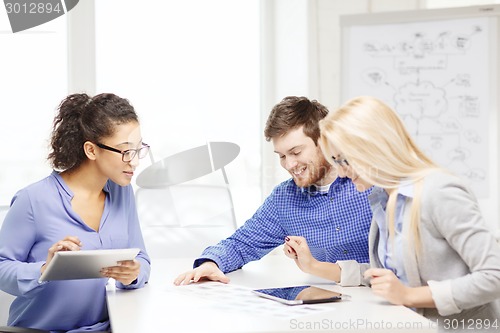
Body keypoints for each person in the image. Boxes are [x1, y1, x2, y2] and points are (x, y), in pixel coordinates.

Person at [312, 95, 500, 324]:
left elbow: (494, 276)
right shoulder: (384, 199)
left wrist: (409, 296)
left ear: (373, 147)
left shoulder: (438, 192)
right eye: (335, 163)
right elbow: (397, 275)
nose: (341, 173)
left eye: (343, 160)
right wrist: (316, 267)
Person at [174, 96, 373, 286]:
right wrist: (211, 264)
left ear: (324, 142)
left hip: (384, 300)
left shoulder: (368, 182)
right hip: (330, 302)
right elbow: (242, 243)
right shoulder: (285, 198)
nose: (290, 164)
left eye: (296, 152)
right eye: (282, 156)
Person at [0, 93, 151, 332]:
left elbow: (141, 259)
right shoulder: (33, 200)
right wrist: (44, 269)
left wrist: (133, 274)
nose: (134, 162)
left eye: (138, 149)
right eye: (125, 151)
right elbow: (2, 267)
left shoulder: (123, 193)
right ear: (91, 150)